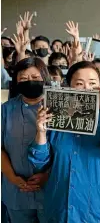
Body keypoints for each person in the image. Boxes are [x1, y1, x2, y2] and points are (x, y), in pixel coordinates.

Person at [27, 61, 100, 222]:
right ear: (68, 86)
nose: (86, 89)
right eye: (79, 83)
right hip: (60, 208)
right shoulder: (56, 121)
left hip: (97, 209)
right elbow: (40, 163)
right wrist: (41, 132)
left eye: (92, 83)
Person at [2, 57, 51, 223]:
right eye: (23, 79)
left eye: (35, 78)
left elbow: (67, 150)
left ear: (45, 78)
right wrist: (12, 177)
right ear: (16, 82)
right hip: (16, 191)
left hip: (50, 188)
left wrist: (48, 175)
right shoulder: (6, 109)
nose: (30, 82)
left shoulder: (58, 108)